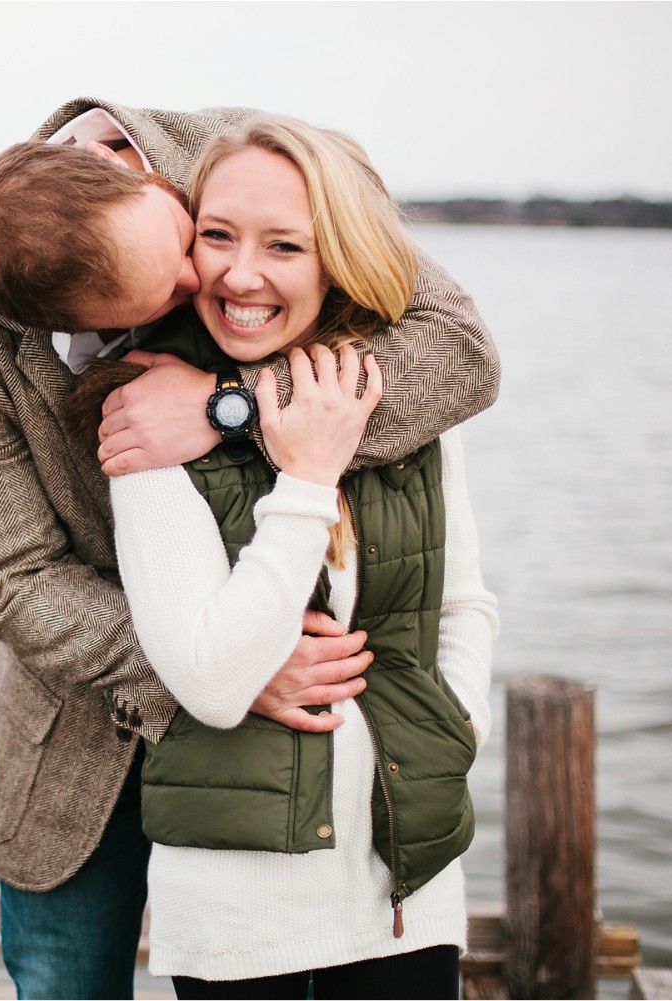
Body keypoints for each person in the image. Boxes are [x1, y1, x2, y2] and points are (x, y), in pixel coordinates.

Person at [0, 97, 499, 999]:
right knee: (65, 984)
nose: (208, 288)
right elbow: (7, 576)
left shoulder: (241, 165)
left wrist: (229, 402)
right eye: (166, 297)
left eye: (189, 246)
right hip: (74, 725)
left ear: (131, 168)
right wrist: (219, 662)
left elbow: (460, 351)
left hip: (296, 742)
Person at [90, 116, 497, 999]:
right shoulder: (151, 415)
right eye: (219, 236)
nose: (242, 274)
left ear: (338, 256)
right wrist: (308, 478)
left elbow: (463, 603)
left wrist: (453, 730)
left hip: (408, 891)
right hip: (238, 916)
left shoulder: (400, 395)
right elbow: (210, 676)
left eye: (285, 245)